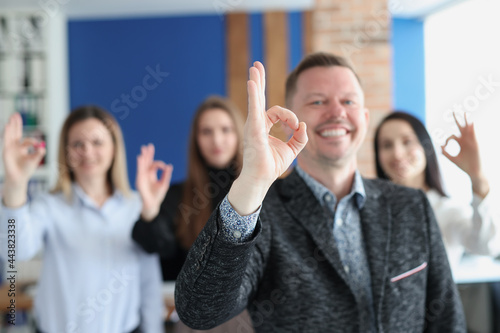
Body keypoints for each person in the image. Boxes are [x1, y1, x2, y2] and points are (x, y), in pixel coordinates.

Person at [174, 52, 466, 332]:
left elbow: (447, 318)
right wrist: (252, 182)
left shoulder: (411, 205)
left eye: (348, 101)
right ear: (290, 120)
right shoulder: (265, 211)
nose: (337, 112)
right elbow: (199, 310)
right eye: (317, 101)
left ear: (364, 118)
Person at [0, 106, 164, 333]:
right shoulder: (49, 205)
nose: (87, 151)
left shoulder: (137, 207)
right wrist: (15, 186)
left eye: (97, 142)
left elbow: (149, 283)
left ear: (114, 148)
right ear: (65, 151)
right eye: (77, 144)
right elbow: (14, 250)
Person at [132, 96, 253, 332]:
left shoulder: (259, 193)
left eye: (225, 130)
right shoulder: (179, 195)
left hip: (250, 314)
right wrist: (149, 209)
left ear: (239, 134)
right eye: (207, 132)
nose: (216, 139)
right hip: (195, 318)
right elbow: (158, 247)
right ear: (196, 139)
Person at [374, 110, 500, 332]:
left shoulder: (446, 210)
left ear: (425, 147)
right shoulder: (368, 209)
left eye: (407, 141)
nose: (397, 153)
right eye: (386, 145)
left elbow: (488, 245)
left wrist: (478, 179)